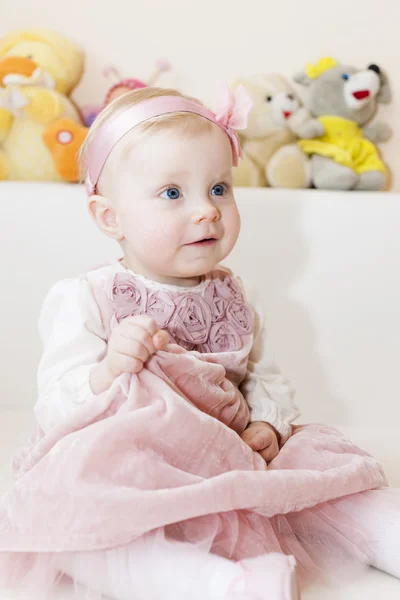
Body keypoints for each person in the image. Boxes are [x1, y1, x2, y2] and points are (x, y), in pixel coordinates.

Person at [0, 84, 399, 600]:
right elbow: (55, 406)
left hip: (229, 456)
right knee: (88, 528)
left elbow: (264, 378)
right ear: (109, 217)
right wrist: (109, 369)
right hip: (129, 462)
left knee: (317, 478)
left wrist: (266, 426)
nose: (207, 211)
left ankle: (383, 530)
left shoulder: (236, 295)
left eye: (218, 189)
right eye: (172, 193)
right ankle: (216, 583)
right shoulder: (87, 298)